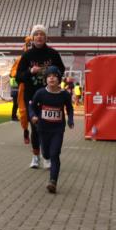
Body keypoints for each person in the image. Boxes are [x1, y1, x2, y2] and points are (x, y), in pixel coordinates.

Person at [17, 24, 66, 168]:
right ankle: (35, 156)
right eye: (36, 34)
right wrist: (30, 72)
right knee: (35, 126)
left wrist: (53, 75)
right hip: (31, 96)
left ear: (46, 37)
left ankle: (47, 157)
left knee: (48, 128)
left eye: (42, 34)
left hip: (50, 96)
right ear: (32, 37)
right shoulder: (27, 55)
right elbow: (18, 76)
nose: (39, 36)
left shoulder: (53, 54)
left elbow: (61, 70)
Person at [28, 66, 74, 194]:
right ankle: (44, 156)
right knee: (46, 154)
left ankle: (53, 181)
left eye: (54, 75)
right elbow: (31, 106)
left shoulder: (64, 94)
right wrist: (33, 116)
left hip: (58, 129)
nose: (51, 78)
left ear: (59, 79)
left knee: (55, 154)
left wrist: (70, 120)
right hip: (43, 129)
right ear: (46, 79)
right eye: (49, 76)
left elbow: (70, 108)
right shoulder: (41, 93)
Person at [8, 35, 33, 145]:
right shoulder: (20, 60)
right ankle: (26, 131)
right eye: (28, 45)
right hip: (24, 89)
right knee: (23, 112)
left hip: (37, 88)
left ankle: (36, 134)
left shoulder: (40, 58)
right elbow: (12, 73)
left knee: (37, 113)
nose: (29, 47)